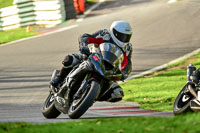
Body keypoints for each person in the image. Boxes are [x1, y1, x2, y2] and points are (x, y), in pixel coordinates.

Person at [51, 20, 133, 102]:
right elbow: (85, 37)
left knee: (117, 93)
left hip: (108, 69)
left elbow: (127, 63)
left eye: (127, 37)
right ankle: (59, 78)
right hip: (90, 57)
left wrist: (124, 72)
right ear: (114, 32)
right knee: (70, 59)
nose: (124, 39)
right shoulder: (104, 35)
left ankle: (92, 96)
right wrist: (84, 46)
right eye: (122, 36)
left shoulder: (127, 48)